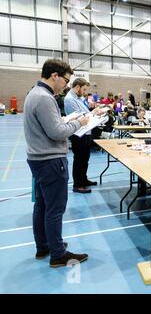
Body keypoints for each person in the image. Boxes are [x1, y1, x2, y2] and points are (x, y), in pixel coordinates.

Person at [24, 58, 90, 267]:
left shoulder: (35, 94)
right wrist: (78, 122)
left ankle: (45, 245)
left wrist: (64, 121)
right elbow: (56, 132)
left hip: (39, 158)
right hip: (50, 160)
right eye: (66, 80)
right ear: (55, 76)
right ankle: (58, 254)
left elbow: (50, 126)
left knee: (43, 206)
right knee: (55, 209)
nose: (66, 85)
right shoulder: (45, 98)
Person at [64, 78, 101, 194]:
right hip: (78, 133)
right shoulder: (69, 99)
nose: (84, 92)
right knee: (79, 159)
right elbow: (79, 116)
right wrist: (93, 113)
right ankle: (78, 184)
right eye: (84, 89)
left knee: (85, 158)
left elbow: (85, 111)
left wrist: (92, 110)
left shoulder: (78, 98)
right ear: (78, 87)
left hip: (85, 131)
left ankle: (83, 179)